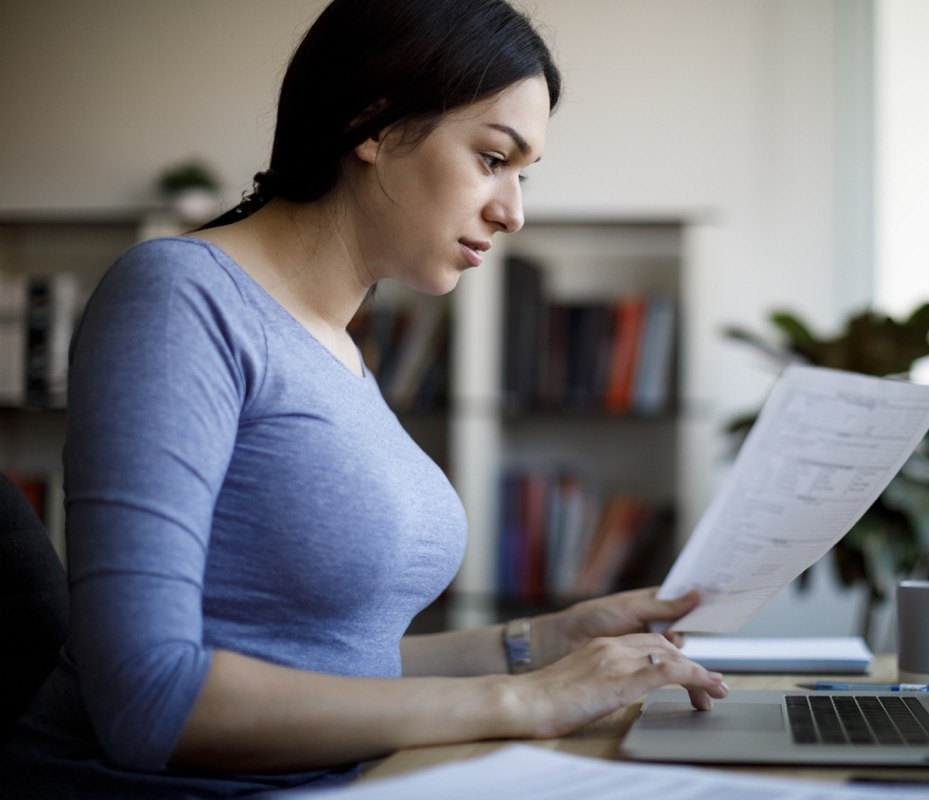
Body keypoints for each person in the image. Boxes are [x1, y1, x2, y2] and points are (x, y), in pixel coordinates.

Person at [0, 0, 728, 796]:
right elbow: (150, 700)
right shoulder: (179, 298)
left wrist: (545, 640)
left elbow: (328, 661)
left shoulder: (337, 344)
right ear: (373, 126)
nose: (514, 211)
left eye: (524, 175)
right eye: (493, 159)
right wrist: (521, 700)